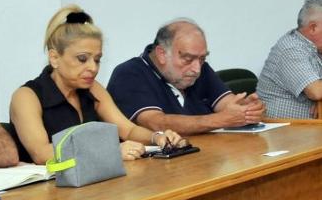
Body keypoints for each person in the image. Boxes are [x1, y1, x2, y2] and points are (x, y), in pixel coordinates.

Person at [9, 6, 184, 164]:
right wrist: (110, 152)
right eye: (82, 59)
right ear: (54, 58)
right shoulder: (26, 97)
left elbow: (128, 130)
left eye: (97, 60)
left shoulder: (92, 88)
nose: (93, 68)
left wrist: (157, 137)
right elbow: (41, 153)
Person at [106, 18, 266, 135]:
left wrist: (246, 110)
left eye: (202, 59)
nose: (197, 69)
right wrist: (220, 119)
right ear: (161, 54)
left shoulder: (199, 67)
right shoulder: (129, 74)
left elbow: (227, 105)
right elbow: (155, 123)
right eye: (187, 59)